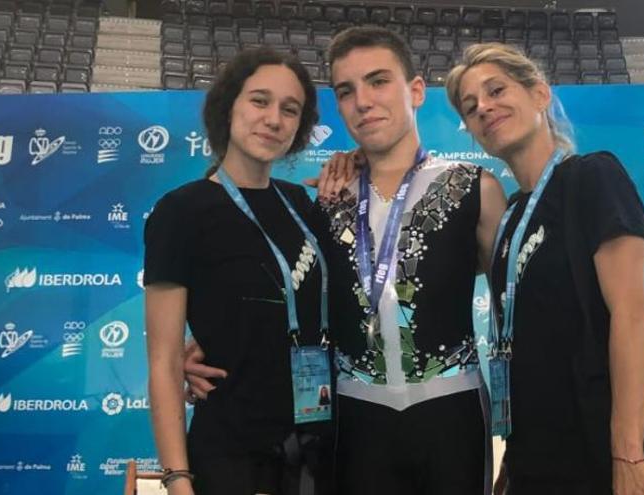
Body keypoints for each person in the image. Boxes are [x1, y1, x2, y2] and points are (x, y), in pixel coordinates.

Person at [185, 27, 507, 495]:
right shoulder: (325, 199)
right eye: (346, 91)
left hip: (453, 410)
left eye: (378, 81)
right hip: (355, 418)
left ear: (416, 91)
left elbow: (524, 299)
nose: (363, 101)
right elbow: (274, 292)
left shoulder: (474, 187)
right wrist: (203, 344)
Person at [444, 43, 644, 495]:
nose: (484, 107)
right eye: (471, 106)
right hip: (539, 460)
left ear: (539, 94)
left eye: (496, 90)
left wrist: (628, 452)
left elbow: (631, 316)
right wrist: (515, 463)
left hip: (599, 452)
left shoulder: (592, 177)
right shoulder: (510, 218)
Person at [144, 47, 334, 495]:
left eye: (290, 110)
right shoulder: (182, 211)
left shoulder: (304, 205)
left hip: (319, 450)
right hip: (231, 455)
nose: (274, 119)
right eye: (259, 101)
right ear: (228, 106)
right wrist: (177, 479)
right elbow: (165, 361)